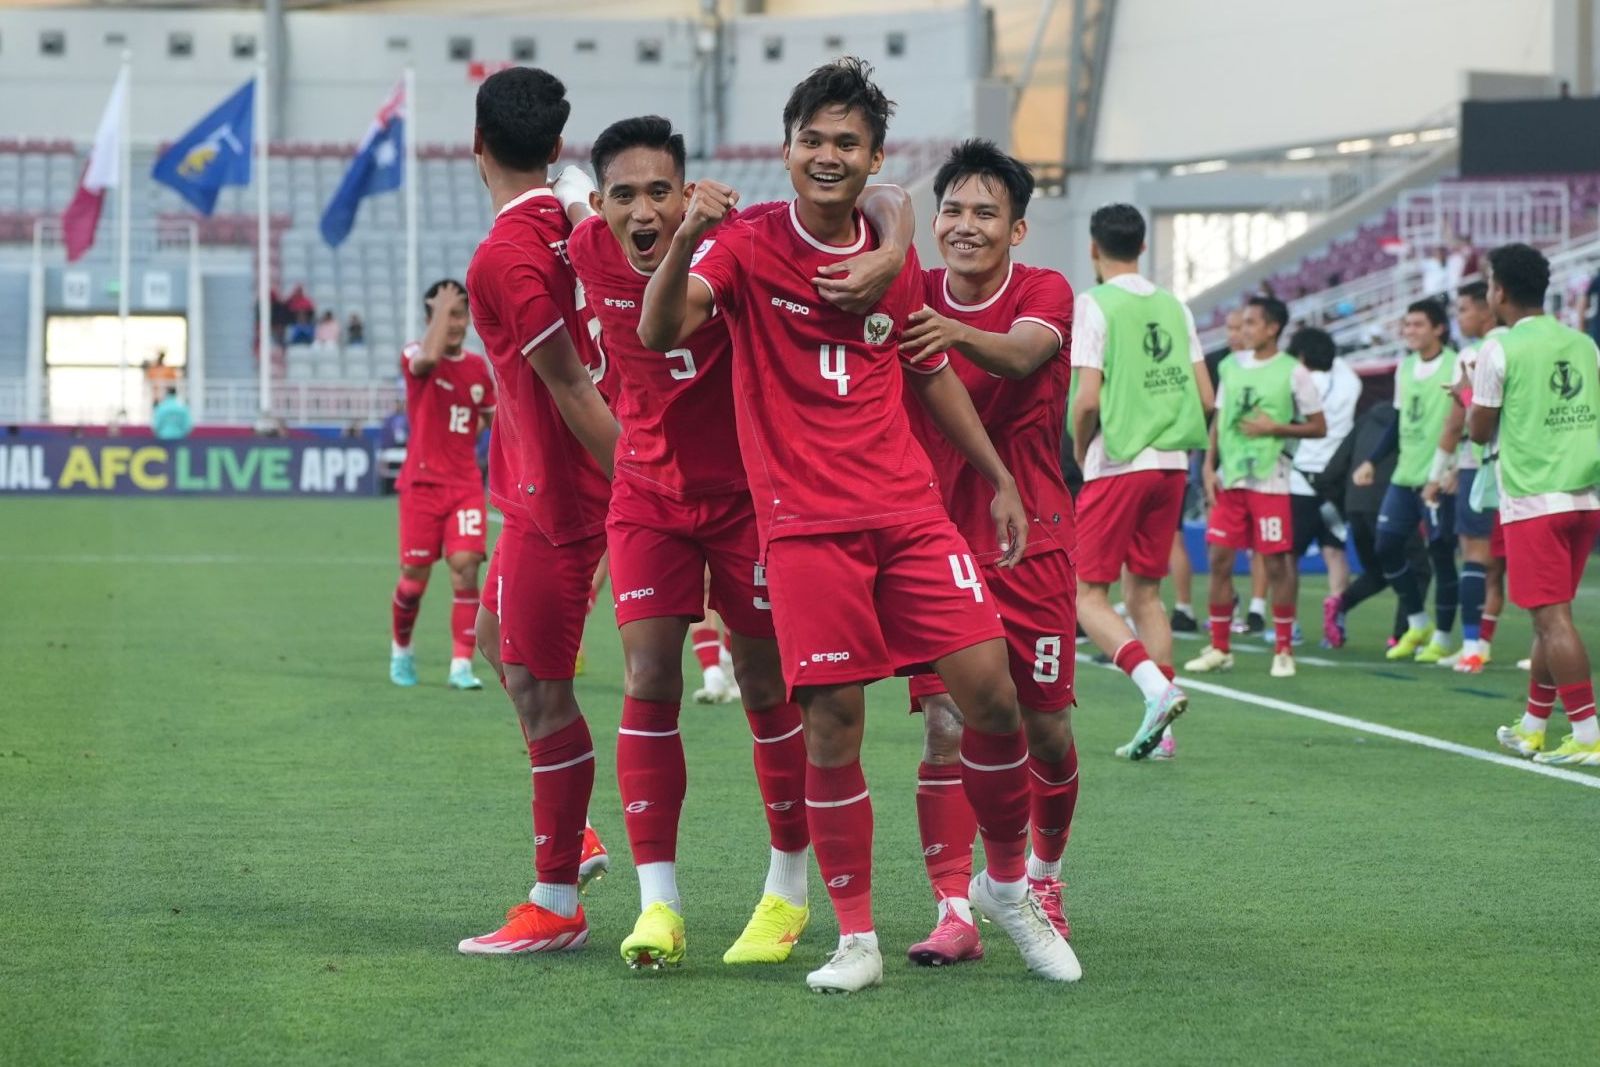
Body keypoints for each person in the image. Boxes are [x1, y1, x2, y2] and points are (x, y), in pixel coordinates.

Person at [640, 58, 1080, 992]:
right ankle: (856, 937)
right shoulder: (749, 244)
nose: (828, 156)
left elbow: (928, 369)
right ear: (787, 150)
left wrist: (999, 476)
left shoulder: (895, 261)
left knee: (992, 694)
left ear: (873, 156)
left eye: (848, 143)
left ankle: (1007, 886)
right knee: (833, 724)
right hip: (804, 528)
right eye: (813, 141)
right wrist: (683, 238)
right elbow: (661, 330)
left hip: (911, 514)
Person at [563, 114, 912, 969]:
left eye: (659, 193)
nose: (641, 211)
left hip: (754, 499)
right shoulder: (582, 250)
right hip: (648, 495)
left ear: (687, 192)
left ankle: (787, 891)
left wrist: (896, 247)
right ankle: (659, 906)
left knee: (765, 687)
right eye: (623, 196)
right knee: (649, 677)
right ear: (600, 203)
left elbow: (891, 193)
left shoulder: (739, 236)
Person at [891, 140, 1079, 965]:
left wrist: (949, 329)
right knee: (944, 724)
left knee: (1045, 730)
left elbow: (1024, 352)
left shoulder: (1044, 291)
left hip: (1029, 533)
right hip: (933, 537)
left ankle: (1043, 878)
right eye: (953, 211)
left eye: (985, 213)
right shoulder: (910, 288)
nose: (965, 227)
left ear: (1018, 229)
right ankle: (952, 909)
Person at [454, 67, 621, 958]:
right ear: (557, 147)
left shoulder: (503, 260)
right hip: (533, 491)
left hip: (561, 499)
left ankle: (557, 896)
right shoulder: (571, 218)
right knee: (495, 643)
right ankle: (577, 835)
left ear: (473, 145)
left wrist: (642, 495)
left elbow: (572, 388)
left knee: (543, 692)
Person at [1070, 202, 1212, 761]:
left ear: (1093, 248)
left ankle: (1157, 689)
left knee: (1085, 595)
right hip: (1172, 464)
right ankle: (1163, 734)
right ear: (1144, 246)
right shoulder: (1175, 306)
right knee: (1147, 593)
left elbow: (1085, 401)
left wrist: (1083, 452)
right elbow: (1205, 396)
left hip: (1120, 459)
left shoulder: (1095, 303)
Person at [1470, 243, 1600, 765]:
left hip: (1533, 498)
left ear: (1499, 291)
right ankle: (1532, 727)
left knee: (1552, 621)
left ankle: (1589, 732)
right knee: (1552, 616)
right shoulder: (1585, 344)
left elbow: (1480, 430)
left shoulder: (1499, 348)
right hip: (1585, 495)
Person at [1186, 296, 1326, 678]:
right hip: (1231, 480)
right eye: (1242, 323)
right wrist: (1209, 465)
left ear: (1272, 328)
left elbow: (1319, 425)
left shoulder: (1293, 372)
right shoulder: (1230, 367)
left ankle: (1283, 648)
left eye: (1251, 323)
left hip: (1270, 480)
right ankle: (1219, 647)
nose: (1243, 329)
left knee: (1277, 563)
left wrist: (1274, 428)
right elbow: (1221, 419)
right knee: (1218, 560)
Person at [387, 279, 496, 692]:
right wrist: (439, 312)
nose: (456, 323)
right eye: (448, 314)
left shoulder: (476, 367)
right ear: (430, 317)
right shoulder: (414, 353)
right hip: (421, 485)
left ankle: (461, 665)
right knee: (413, 581)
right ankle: (401, 649)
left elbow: (493, 418)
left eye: (461, 313)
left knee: (465, 569)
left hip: (465, 485)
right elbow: (426, 362)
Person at [1352, 300, 1460, 663]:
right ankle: (1418, 622)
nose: (1409, 330)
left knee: (1441, 554)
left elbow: (1461, 419)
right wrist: (1371, 461)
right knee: (1386, 546)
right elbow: (1399, 422)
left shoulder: (1456, 364)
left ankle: (1443, 637)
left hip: (1437, 476)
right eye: (1406, 324)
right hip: (1404, 474)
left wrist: (1454, 467)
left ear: (1438, 329)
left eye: (1417, 324)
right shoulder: (1405, 368)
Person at [1422, 282, 1504, 672]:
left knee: (1475, 554)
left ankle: (1472, 647)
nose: (1459, 318)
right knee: (1501, 564)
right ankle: (1484, 645)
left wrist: (1437, 474)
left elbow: (1457, 426)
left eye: (1464, 310)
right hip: (1529, 470)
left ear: (1490, 308)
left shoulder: (1475, 354)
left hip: (1482, 467)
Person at [1286, 327, 1359, 609]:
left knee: (1289, 555)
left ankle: (1289, 623)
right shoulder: (1350, 381)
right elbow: (1336, 361)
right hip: (1336, 480)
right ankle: (1337, 615)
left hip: (1300, 478)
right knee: (1335, 550)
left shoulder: (1297, 382)